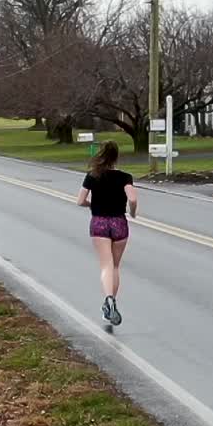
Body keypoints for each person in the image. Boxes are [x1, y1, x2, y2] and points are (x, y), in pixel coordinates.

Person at [76, 140, 137, 326]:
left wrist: (92, 205)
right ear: (116, 157)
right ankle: (110, 303)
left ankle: (109, 299)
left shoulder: (92, 175)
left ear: (101, 154)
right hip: (119, 222)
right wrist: (132, 212)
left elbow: (80, 201)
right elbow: (133, 198)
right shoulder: (125, 177)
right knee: (116, 267)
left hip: (99, 223)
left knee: (106, 266)